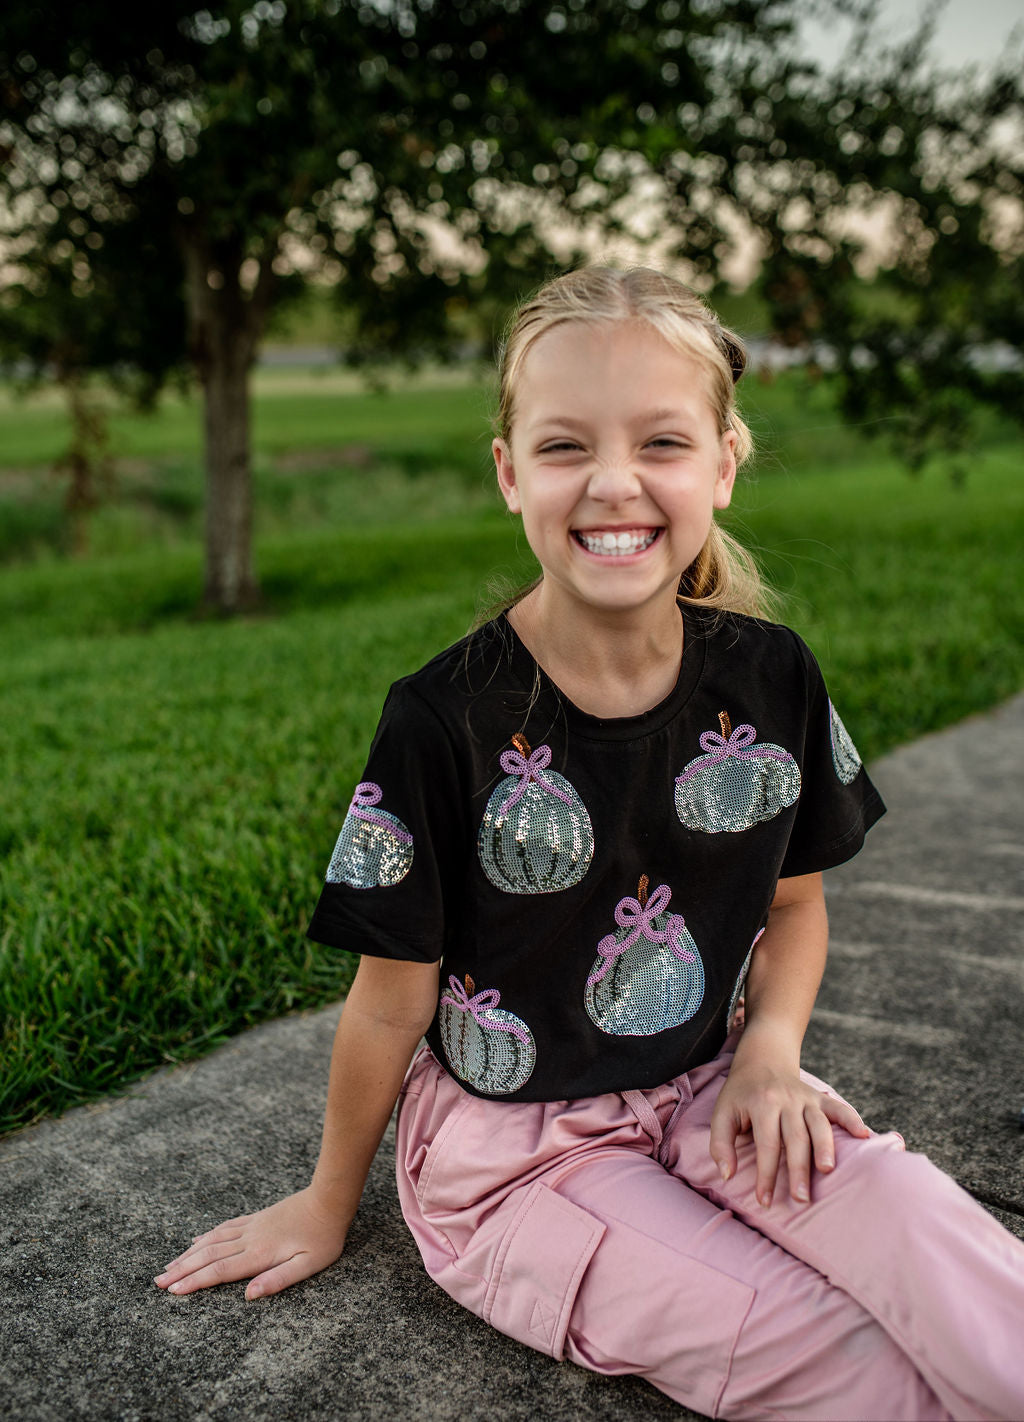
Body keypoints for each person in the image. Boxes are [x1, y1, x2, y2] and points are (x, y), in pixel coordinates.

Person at [156, 266, 1024, 1421]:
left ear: (724, 459)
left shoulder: (771, 679)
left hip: (707, 1083)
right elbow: (384, 1004)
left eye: (660, 441)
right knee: (816, 1345)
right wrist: (327, 1200)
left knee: (933, 1241)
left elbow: (795, 907)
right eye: (565, 446)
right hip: (515, 1158)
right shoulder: (444, 720)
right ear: (510, 472)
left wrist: (769, 1050)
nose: (613, 481)